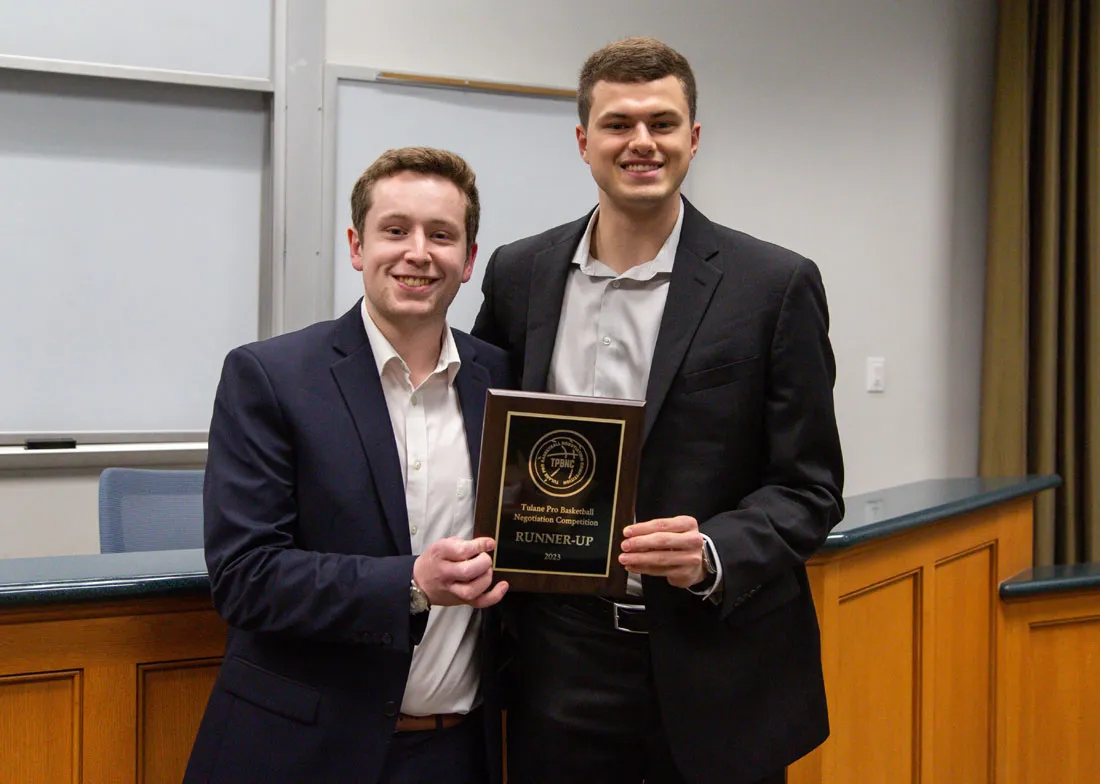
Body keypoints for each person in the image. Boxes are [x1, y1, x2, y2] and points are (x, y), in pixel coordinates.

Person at [472, 37, 845, 784]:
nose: (641, 142)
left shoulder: (773, 284)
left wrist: (711, 550)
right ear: (583, 141)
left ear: (693, 139)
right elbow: (483, 438)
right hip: (558, 660)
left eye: (663, 123)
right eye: (618, 124)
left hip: (716, 660)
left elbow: (811, 487)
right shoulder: (519, 274)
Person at [184, 147, 511, 784]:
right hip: (303, 753)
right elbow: (245, 576)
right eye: (395, 230)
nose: (418, 252)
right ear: (357, 246)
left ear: (468, 260)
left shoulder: (502, 381)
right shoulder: (271, 378)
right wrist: (412, 583)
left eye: (441, 235)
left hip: (459, 752)